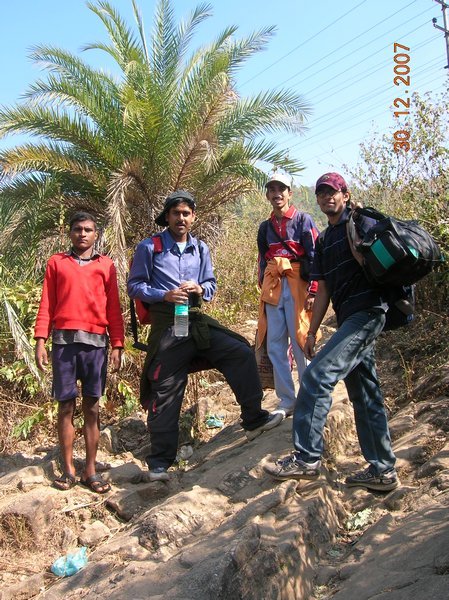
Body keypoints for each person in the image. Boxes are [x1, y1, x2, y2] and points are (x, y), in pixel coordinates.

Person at [127, 190, 283, 482]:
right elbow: (134, 286)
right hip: (169, 324)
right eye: (176, 213)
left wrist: (201, 289)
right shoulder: (150, 247)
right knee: (167, 385)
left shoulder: (201, 249)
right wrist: (165, 294)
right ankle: (160, 462)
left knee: (238, 350)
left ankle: (254, 419)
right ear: (167, 216)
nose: (181, 218)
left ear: (194, 217)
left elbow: (210, 284)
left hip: (196, 319)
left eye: (186, 213)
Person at [264, 172, 399, 492]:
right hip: (348, 317)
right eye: (321, 193)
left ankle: (307, 457)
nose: (327, 197)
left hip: (368, 313)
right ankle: (382, 469)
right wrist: (310, 333)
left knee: (316, 375)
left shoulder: (360, 223)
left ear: (346, 195)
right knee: (364, 393)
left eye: (332, 192)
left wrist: (364, 223)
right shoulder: (325, 239)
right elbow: (322, 289)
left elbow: (384, 258)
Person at [34, 212, 124, 494]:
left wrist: (118, 344)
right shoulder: (56, 263)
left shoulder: (105, 266)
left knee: (93, 407)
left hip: (96, 344)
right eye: (77, 229)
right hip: (63, 344)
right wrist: (40, 339)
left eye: (88, 230)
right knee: (65, 406)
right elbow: (47, 302)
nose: (82, 234)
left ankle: (91, 470)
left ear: (96, 235)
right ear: (69, 234)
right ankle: (69, 470)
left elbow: (113, 308)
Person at [257, 173, 319, 419]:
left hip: (297, 282)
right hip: (274, 285)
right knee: (275, 343)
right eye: (272, 189)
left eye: (281, 189)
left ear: (290, 193)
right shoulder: (266, 227)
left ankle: (309, 395)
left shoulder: (303, 220)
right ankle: (287, 400)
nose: (277, 193)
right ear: (267, 195)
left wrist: (314, 289)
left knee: (302, 338)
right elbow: (263, 259)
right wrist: (262, 285)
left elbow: (314, 254)